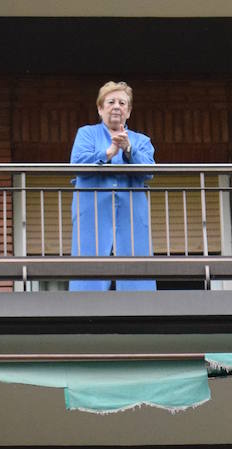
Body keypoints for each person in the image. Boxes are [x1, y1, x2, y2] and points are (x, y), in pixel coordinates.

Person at [70, 81, 155, 292]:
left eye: (122, 103)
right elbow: (77, 164)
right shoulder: (87, 134)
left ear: (129, 111)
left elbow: (149, 171)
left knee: (135, 257)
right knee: (88, 259)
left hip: (131, 210)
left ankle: (140, 307)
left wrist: (129, 150)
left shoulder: (141, 140)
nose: (117, 106)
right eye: (111, 102)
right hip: (93, 210)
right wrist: (107, 153)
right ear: (100, 109)